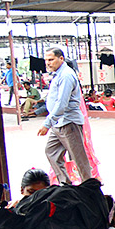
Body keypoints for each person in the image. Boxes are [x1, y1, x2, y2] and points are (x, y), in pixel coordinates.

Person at [36, 49, 93, 185]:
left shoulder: (66, 75)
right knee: (51, 152)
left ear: (61, 58)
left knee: (78, 158)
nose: (48, 63)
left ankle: (89, 188)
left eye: (51, 60)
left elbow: (62, 103)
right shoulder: (58, 75)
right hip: (58, 123)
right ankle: (65, 184)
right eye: (46, 60)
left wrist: (47, 124)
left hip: (68, 122)